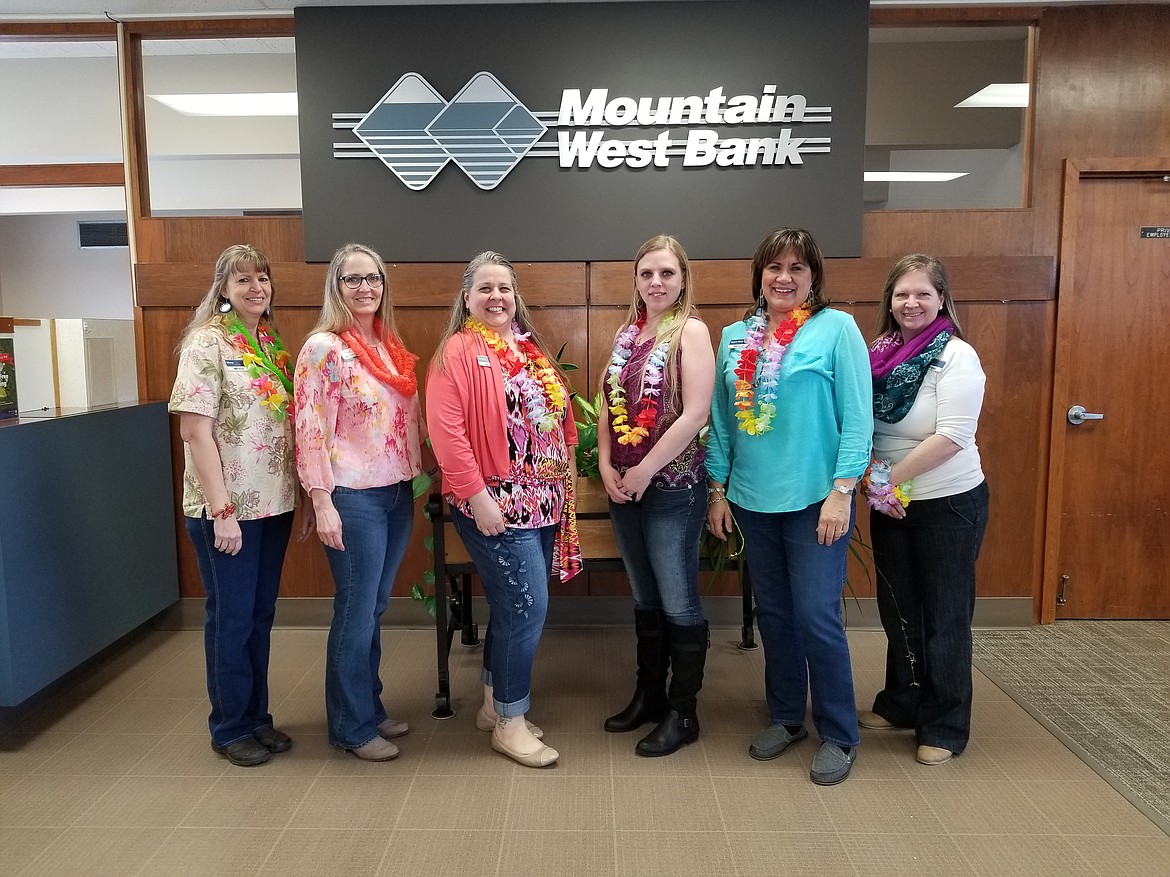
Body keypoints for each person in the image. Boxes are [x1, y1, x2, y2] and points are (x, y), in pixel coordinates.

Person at [706, 227, 872, 785]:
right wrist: (717, 489)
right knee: (774, 615)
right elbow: (724, 422)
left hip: (816, 500)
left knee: (818, 617)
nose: (784, 277)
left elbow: (858, 417)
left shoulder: (837, 329)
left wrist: (842, 492)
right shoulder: (733, 336)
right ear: (759, 274)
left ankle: (840, 733)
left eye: (797, 268)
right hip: (753, 499)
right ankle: (785, 717)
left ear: (814, 277)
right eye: (774, 267)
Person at [426, 251, 580, 769]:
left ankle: (494, 706)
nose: (496, 297)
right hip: (495, 502)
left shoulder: (528, 348)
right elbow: (447, 435)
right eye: (485, 289)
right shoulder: (457, 351)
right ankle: (511, 724)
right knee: (526, 609)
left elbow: (555, 416)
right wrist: (476, 497)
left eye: (505, 289)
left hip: (542, 501)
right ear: (466, 299)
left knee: (513, 607)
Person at [169, 244, 306, 767]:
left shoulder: (269, 343)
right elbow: (194, 432)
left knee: (259, 614)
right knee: (231, 618)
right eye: (242, 280)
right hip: (225, 512)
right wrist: (223, 510)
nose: (256, 288)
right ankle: (229, 727)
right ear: (222, 289)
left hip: (271, 504)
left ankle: (257, 718)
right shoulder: (207, 343)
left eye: (262, 278)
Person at [294, 243, 427, 762]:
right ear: (336, 286)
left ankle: (367, 708)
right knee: (355, 609)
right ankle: (350, 727)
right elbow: (309, 428)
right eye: (353, 280)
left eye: (373, 278)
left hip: (395, 492)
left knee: (372, 606)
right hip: (351, 495)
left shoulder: (390, 347)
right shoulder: (323, 348)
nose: (365, 287)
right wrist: (321, 502)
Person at [859, 254, 989, 766]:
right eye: (901, 295)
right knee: (899, 608)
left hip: (947, 503)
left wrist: (890, 478)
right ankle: (901, 701)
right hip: (888, 500)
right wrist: (874, 477)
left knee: (945, 615)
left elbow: (954, 435)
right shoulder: (877, 354)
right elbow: (860, 421)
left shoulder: (957, 356)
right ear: (889, 302)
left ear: (941, 300)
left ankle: (945, 723)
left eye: (922, 294)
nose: (911, 303)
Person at [597, 235, 715, 756]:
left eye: (667, 273)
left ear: (683, 278)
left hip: (672, 487)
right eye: (647, 274)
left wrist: (644, 469)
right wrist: (604, 463)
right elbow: (607, 404)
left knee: (677, 599)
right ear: (637, 280)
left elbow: (695, 413)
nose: (656, 283)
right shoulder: (628, 334)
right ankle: (648, 695)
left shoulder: (690, 331)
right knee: (644, 597)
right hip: (625, 487)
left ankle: (682, 711)